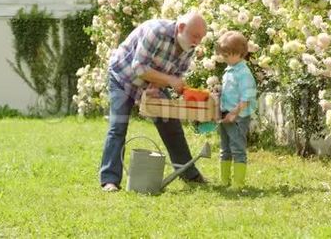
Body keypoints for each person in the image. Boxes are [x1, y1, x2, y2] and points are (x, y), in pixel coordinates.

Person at [100, 12, 208, 192]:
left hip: (151, 82)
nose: (197, 41)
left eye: (201, 38)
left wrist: (154, 89)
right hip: (123, 76)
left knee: (171, 126)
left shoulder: (189, 46)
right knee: (118, 127)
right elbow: (139, 67)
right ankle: (109, 180)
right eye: (195, 36)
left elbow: (174, 74)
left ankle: (189, 174)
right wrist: (170, 82)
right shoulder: (156, 31)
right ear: (181, 28)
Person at [216, 31, 257, 189]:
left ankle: (238, 183)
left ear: (239, 53)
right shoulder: (229, 70)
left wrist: (234, 113)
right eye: (223, 55)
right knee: (224, 148)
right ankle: (224, 180)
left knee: (237, 148)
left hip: (238, 118)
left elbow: (247, 98)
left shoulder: (244, 73)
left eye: (227, 55)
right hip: (225, 115)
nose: (224, 58)